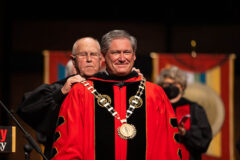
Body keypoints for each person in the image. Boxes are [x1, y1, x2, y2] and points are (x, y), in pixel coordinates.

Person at [51, 30, 181, 160]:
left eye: (127, 52)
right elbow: (69, 147)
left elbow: (167, 147)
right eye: (115, 53)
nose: (122, 58)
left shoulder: (154, 94)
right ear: (103, 57)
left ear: (134, 56)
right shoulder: (81, 92)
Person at [17, 37, 102, 159]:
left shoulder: (112, 88)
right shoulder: (60, 88)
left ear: (100, 59)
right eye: (83, 55)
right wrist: (60, 93)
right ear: (74, 61)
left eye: (93, 54)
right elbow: (26, 108)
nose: (89, 59)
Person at [157, 66, 212, 160]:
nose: (170, 87)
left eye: (174, 83)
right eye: (166, 84)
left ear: (182, 87)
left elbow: (204, 141)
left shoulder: (194, 109)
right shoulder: (157, 108)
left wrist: (185, 133)